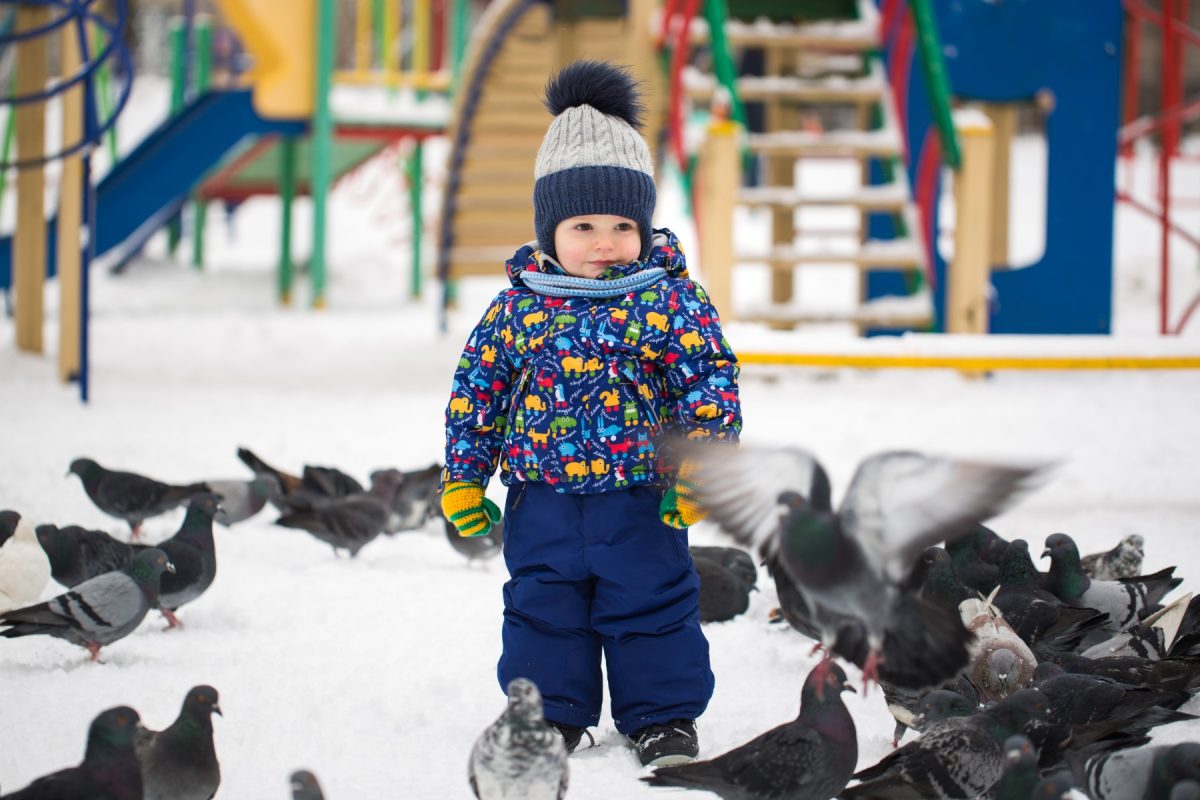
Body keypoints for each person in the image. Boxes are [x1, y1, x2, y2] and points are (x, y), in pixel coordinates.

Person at [441, 60, 741, 768]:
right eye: (583, 225)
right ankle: (551, 716)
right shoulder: (517, 307)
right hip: (540, 500)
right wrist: (464, 478)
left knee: (654, 607)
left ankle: (663, 717)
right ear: (548, 229)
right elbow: (476, 392)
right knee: (543, 613)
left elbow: (709, 382)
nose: (604, 243)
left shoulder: (668, 299)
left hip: (641, 498)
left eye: (620, 225)